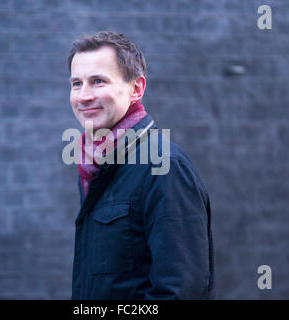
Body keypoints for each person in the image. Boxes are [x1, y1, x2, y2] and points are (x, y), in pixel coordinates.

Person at [68, 31, 215, 299]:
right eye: (76, 83)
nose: (83, 96)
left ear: (136, 88)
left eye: (98, 81)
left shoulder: (164, 168)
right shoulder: (96, 166)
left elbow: (181, 292)